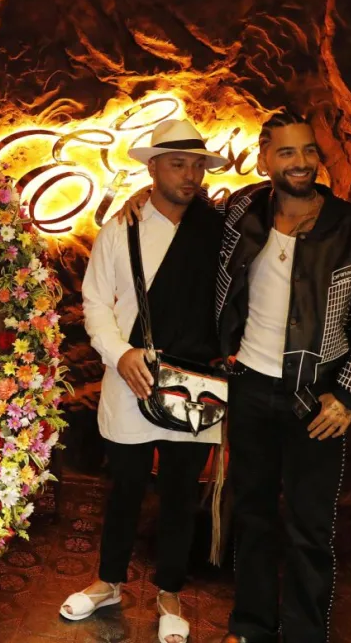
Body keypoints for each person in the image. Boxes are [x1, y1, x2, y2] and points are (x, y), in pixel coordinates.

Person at [115, 110, 351, 643]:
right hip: (250, 387)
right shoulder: (241, 212)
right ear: (263, 160)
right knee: (251, 515)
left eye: (307, 151)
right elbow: (187, 210)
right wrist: (143, 201)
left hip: (318, 396)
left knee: (309, 528)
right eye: (286, 152)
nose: (300, 162)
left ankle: (304, 635)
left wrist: (349, 394)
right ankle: (251, 626)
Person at [60, 118, 228, 643]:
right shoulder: (122, 227)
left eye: (198, 164)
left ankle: (170, 594)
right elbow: (94, 301)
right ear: (151, 168)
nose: (191, 175)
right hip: (130, 375)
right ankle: (108, 581)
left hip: (196, 381)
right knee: (125, 486)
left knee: (180, 492)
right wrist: (119, 352)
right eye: (177, 163)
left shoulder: (221, 228)